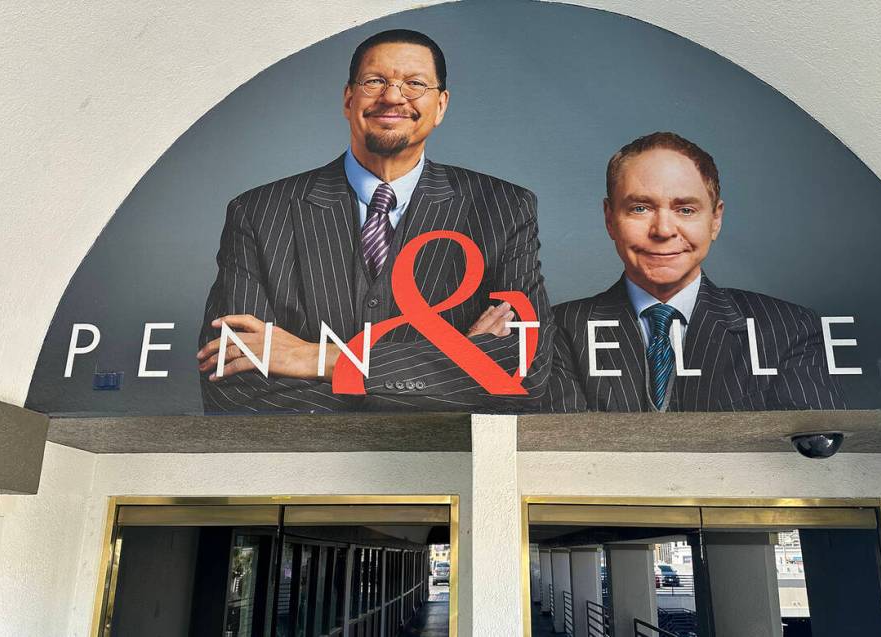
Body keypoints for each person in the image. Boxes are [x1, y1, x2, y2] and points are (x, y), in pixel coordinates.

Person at [196, 29, 553, 412]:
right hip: (312, 471)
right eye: (375, 81)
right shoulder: (259, 213)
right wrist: (460, 363)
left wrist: (316, 359)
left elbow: (523, 371)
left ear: (441, 105)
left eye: (414, 83)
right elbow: (233, 387)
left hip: (447, 470)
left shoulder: (504, 208)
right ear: (349, 98)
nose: (394, 96)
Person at [547, 132, 846, 412]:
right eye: (640, 208)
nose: (663, 230)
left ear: (715, 220)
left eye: (685, 210)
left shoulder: (790, 329)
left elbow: (814, 458)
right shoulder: (557, 329)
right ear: (610, 219)